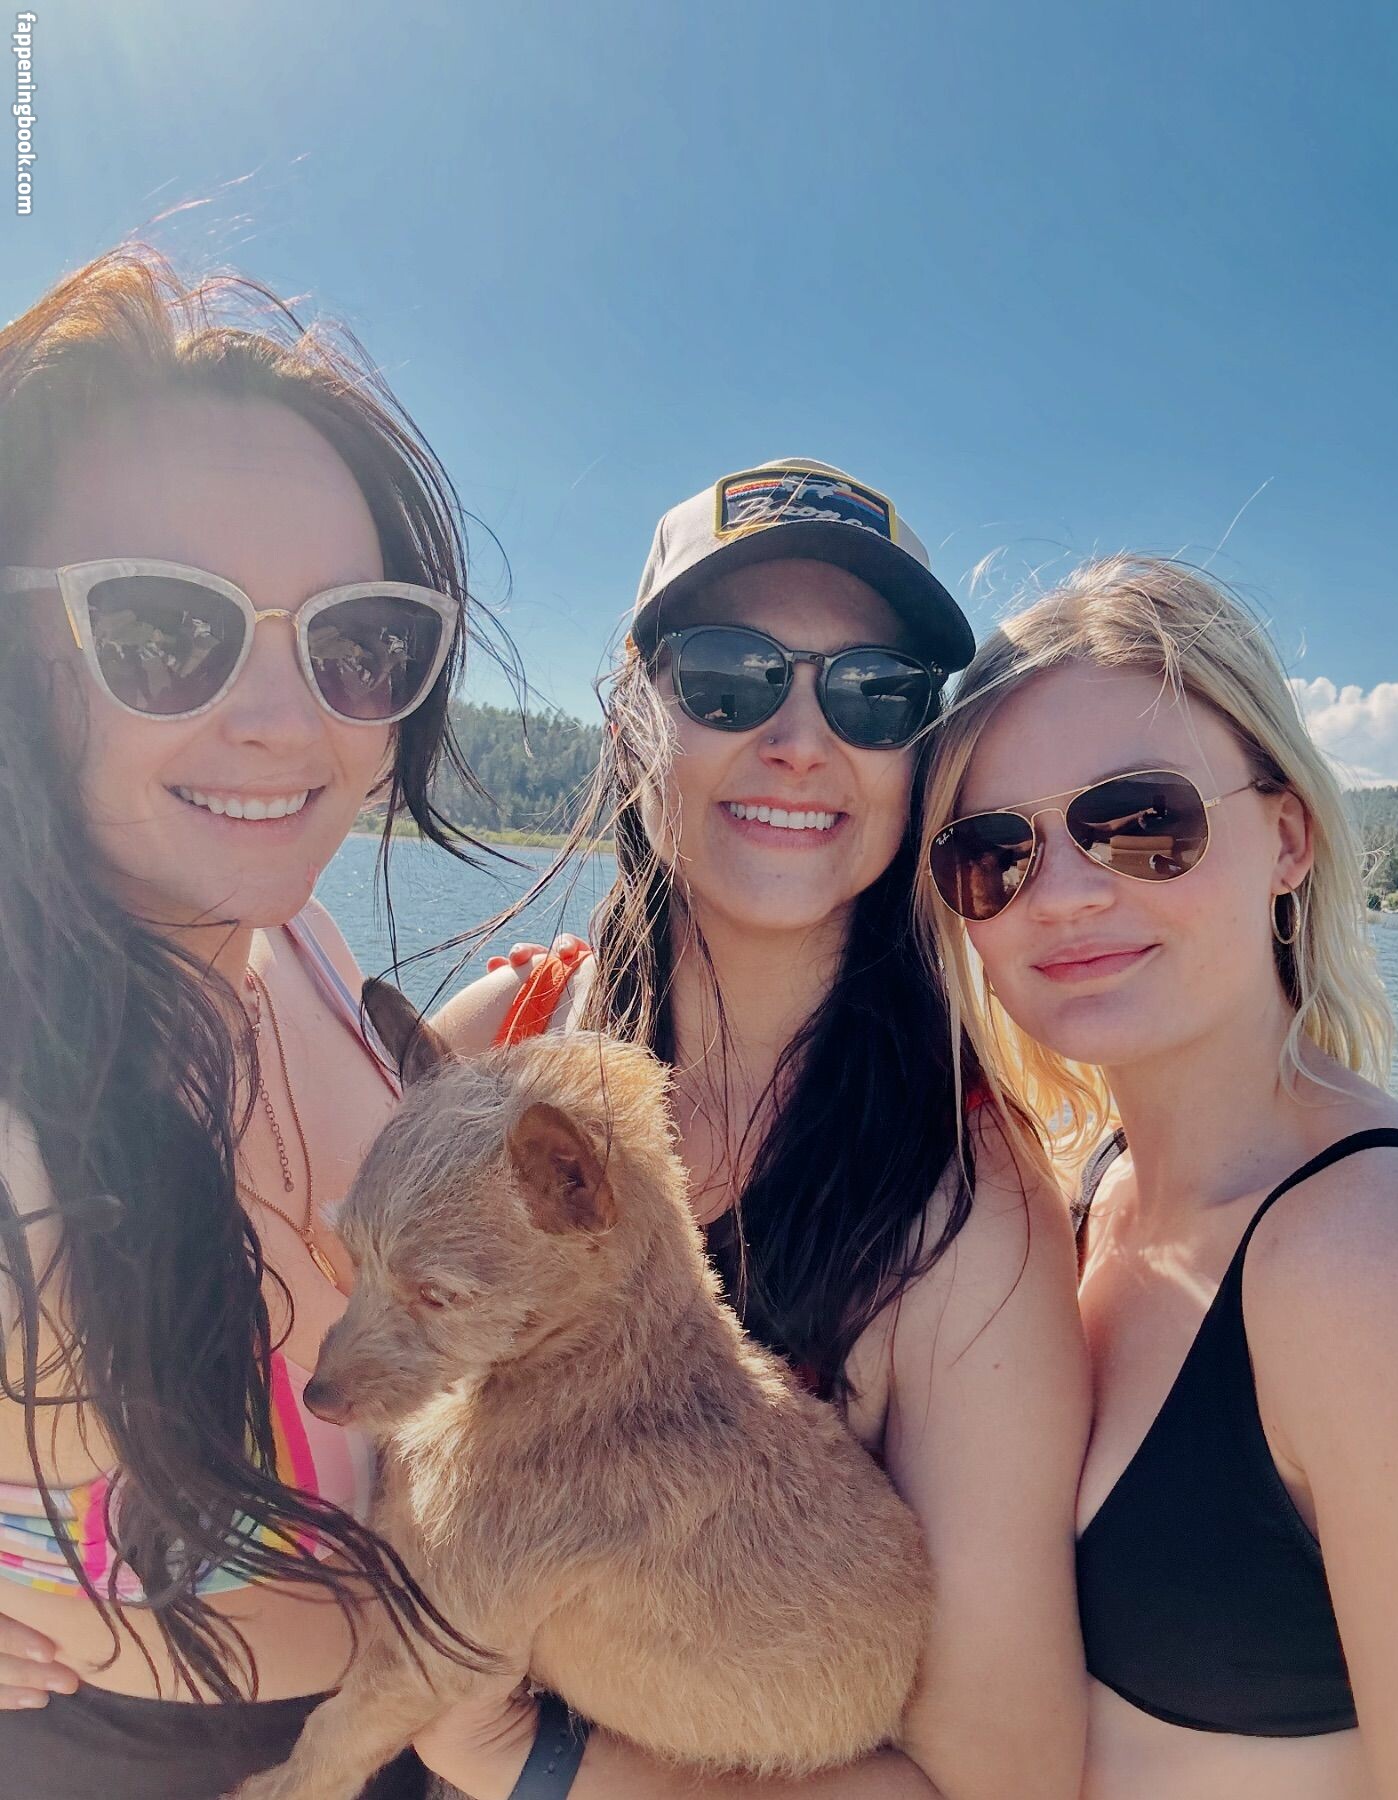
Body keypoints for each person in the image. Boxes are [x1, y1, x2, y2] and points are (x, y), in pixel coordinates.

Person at [419, 461, 1090, 1799]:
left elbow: (1000, 1774)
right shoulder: (502, 1037)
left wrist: (533, 1761)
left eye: (874, 695)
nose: (799, 739)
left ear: (919, 764)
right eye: (729, 678)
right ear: (632, 720)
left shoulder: (965, 1211)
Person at [0, 243, 513, 1797]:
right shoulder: (30, 1150)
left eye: (358, 643)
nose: (288, 720)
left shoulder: (289, 934)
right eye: (166, 630)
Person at [920, 555, 1398, 1800]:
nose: (1063, 895)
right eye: (995, 854)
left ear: (1287, 838)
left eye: (1142, 821)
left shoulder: (1377, 1256)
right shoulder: (1082, 1193)